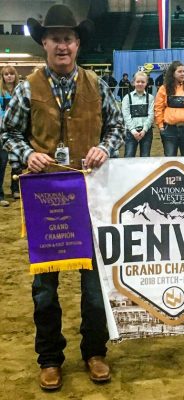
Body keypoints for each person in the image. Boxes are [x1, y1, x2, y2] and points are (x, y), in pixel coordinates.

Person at [1, 4, 123, 390]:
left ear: (77, 43)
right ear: (44, 44)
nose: (62, 45)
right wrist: (27, 154)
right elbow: (8, 134)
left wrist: (106, 147)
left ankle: (94, 352)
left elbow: (117, 127)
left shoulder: (97, 85)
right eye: (54, 39)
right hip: (45, 201)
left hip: (91, 199)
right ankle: (50, 358)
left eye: (68, 38)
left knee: (94, 286)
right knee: (44, 290)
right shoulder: (26, 87)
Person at [155, 60, 184, 156]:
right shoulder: (164, 88)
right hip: (169, 130)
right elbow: (158, 108)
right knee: (170, 159)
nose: (182, 74)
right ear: (173, 73)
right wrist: (161, 126)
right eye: (179, 71)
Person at [0, 65, 21, 204]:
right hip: (2, 131)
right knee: (2, 163)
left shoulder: (20, 90)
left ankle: (15, 190)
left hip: (17, 132)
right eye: (6, 74)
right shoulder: (0, 93)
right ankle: (0, 195)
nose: (9, 76)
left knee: (17, 163)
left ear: (15, 76)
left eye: (11, 74)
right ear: (2, 77)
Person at [122, 71, 154, 157]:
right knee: (129, 156)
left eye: (143, 82)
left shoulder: (150, 98)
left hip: (146, 133)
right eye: (138, 81)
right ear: (133, 83)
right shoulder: (127, 98)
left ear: (146, 83)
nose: (140, 84)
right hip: (131, 133)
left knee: (145, 157)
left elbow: (151, 115)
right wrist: (133, 131)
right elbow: (126, 115)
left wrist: (144, 130)